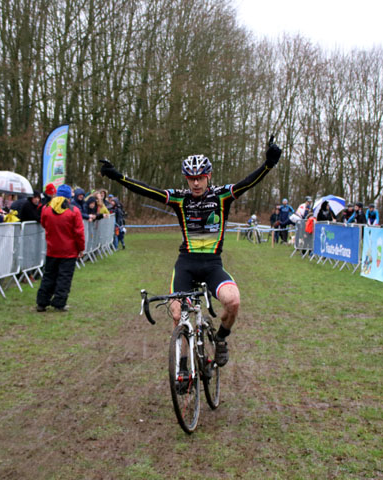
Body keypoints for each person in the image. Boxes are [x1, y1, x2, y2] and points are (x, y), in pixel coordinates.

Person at [99, 136, 282, 369]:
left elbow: (248, 183)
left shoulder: (222, 196)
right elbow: (148, 191)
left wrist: (268, 165)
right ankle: (183, 366)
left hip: (213, 265)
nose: (196, 184)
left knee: (233, 302)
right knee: (177, 314)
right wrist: (119, 177)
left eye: (200, 178)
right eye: (191, 179)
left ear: (208, 177)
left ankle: (221, 338)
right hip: (186, 264)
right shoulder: (180, 198)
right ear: (187, 179)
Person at [36, 184, 85, 312]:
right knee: (64, 278)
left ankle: (42, 302)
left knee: (48, 276)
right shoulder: (74, 211)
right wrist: (81, 248)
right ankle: (59, 302)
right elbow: (79, 232)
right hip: (69, 251)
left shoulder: (46, 208)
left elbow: (44, 224)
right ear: (69, 197)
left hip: (52, 249)